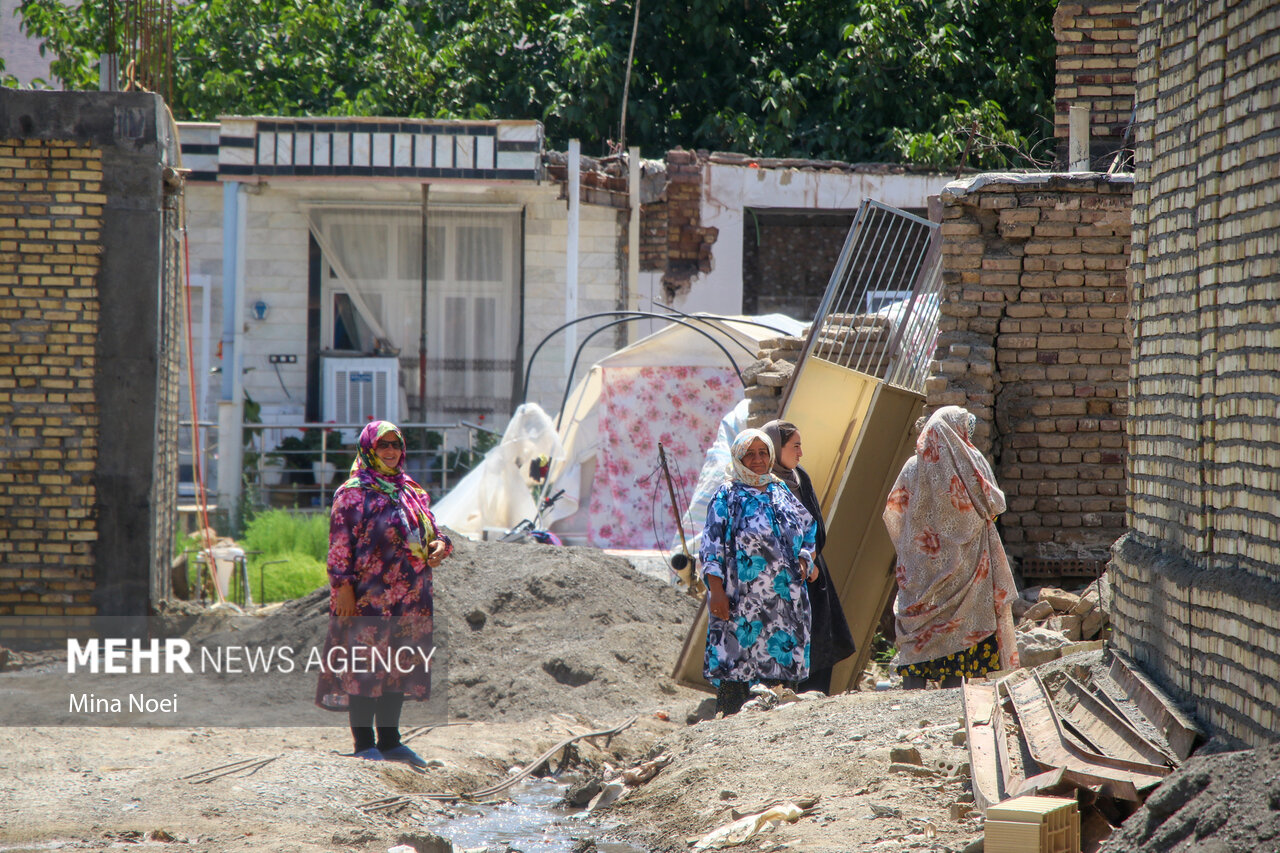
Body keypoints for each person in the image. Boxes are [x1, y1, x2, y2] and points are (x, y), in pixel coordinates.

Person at [315, 420, 451, 765]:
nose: (390, 451)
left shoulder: (411, 491)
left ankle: (391, 741)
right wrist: (342, 588)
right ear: (368, 449)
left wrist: (440, 545)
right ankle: (365, 744)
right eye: (383, 445)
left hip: (411, 597)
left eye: (395, 444)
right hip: (367, 598)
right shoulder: (352, 493)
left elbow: (433, 530)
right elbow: (339, 547)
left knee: (398, 666)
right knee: (365, 667)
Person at [882, 406, 1019, 689]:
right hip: (969, 570)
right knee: (962, 628)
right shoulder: (973, 463)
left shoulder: (912, 467)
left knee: (920, 631)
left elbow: (893, 513)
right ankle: (955, 687)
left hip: (921, 570)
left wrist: (916, 547)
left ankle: (915, 683)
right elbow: (996, 505)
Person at [700, 429, 819, 716]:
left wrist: (805, 559)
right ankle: (731, 734)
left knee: (778, 677)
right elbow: (711, 546)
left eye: (763, 453)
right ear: (738, 458)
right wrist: (715, 591)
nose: (757, 460)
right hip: (741, 605)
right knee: (738, 671)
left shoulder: (780, 491)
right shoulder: (726, 495)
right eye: (749, 454)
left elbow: (809, 530)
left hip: (783, 604)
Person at [761, 420, 856, 695]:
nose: (800, 453)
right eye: (795, 446)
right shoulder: (762, 484)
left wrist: (809, 559)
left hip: (812, 574)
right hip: (782, 580)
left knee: (820, 641)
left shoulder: (800, 476)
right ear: (776, 448)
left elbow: (815, 525)